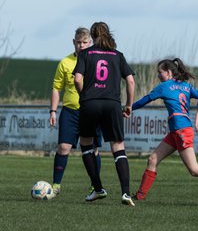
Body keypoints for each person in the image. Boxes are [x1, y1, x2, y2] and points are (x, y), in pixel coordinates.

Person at [132, 58, 198, 202]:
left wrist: (128, 108)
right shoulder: (186, 86)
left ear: (169, 72)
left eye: (160, 72)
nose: (158, 75)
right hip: (177, 131)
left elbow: (144, 100)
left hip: (181, 131)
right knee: (152, 160)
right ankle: (140, 196)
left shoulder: (164, 86)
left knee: (194, 170)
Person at [73, 22, 136, 206]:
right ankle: (125, 194)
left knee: (86, 144)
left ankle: (98, 189)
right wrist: (129, 105)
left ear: (92, 37)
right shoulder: (117, 55)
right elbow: (130, 82)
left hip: (89, 103)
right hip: (112, 104)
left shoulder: (85, 53)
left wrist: (84, 94)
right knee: (118, 147)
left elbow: (77, 79)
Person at [49, 27, 102, 197]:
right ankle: (56, 185)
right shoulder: (65, 63)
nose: (81, 45)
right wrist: (53, 111)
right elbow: (57, 88)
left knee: (93, 150)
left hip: (91, 112)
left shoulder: (97, 61)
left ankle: (95, 185)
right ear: (74, 42)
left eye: (85, 42)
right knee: (63, 147)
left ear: (90, 42)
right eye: (78, 42)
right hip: (70, 111)